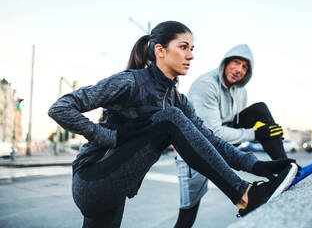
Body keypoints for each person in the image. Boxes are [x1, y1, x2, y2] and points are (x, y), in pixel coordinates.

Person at [48, 21, 298, 228]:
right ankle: (244, 196)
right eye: (184, 47)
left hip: (116, 186)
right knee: (170, 119)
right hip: (93, 179)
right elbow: (60, 108)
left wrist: (255, 164)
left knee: (174, 118)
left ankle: (248, 190)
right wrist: (110, 137)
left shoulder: (177, 99)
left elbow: (209, 139)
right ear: (160, 50)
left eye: (192, 48)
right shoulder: (131, 82)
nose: (191, 55)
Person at [173, 44, 312, 228]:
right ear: (225, 63)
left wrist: (268, 132)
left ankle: (289, 168)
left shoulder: (240, 91)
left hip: (223, 139)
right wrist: (255, 134)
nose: (239, 70)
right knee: (188, 212)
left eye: (245, 67)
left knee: (260, 109)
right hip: (195, 150)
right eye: (236, 63)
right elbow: (211, 134)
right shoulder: (206, 85)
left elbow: (234, 124)